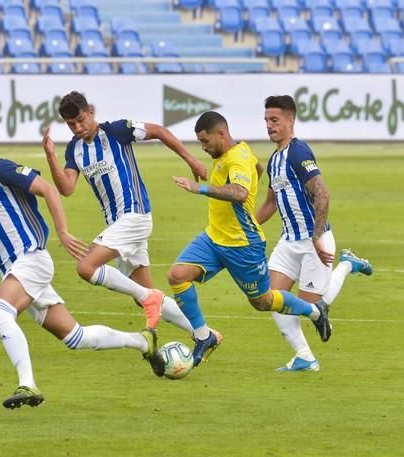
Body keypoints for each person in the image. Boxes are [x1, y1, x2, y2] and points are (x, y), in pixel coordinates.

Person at [0, 114, 166, 410]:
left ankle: (27, 384)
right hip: (18, 270)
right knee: (76, 337)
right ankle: (141, 342)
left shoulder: (0, 169)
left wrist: (62, 232)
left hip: (30, 261)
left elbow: (48, 189)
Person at [167, 111, 331, 368]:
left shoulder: (238, 158)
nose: (204, 147)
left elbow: (241, 192)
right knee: (177, 275)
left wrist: (198, 187)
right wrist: (254, 174)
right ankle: (204, 336)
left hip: (242, 244)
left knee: (263, 301)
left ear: (221, 134)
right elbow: (257, 167)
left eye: (205, 141)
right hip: (214, 237)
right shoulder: (235, 153)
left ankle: (314, 311)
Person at [42, 90, 207, 334]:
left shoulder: (117, 131)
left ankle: (153, 301)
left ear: (91, 112)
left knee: (86, 267)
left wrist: (191, 160)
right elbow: (66, 188)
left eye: (80, 120)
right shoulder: (74, 149)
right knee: (144, 294)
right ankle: (204, 334)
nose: (77, 127)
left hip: (135, 216)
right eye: (71, 124)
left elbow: (159, 131)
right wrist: (50, 157)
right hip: (116, 225)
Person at [256, 95, 373, 372]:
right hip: (288, 241)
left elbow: (322, 193)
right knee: (272, 298)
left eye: (275, 120)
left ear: (290, 120)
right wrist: (248, 226)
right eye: (266, 121)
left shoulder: (299, 153)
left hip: (313, 240)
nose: (269, 126)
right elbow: (271, 203)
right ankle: (305, 357)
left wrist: (318, 235)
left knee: (311, 305)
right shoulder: (274, 161)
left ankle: (347, 264)